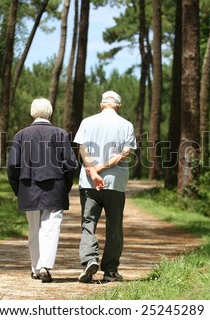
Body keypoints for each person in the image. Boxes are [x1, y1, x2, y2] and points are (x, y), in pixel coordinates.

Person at [7, 98, 78, 283]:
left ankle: (36, 267)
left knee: (34, 229)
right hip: (55, 187)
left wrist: (18, 189)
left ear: (32, 113)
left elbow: (13, 165)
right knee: (51, 227)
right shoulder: (60, 134)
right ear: (50, 113)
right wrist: (65, 186)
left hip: (28, 187)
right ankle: (45, 266)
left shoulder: (20, 135)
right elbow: (71, 164)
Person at [73, 90, 137, 283]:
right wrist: (102, 168)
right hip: (115, 184)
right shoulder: (126, 125)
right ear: (119, 107)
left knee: (88, 223)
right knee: (114, 226)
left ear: (102, 105)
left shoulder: (87, 121)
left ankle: (89, 260)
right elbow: (125, 154)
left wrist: (93, 171)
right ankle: (110, 271)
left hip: (89, 183)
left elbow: (82, 149)